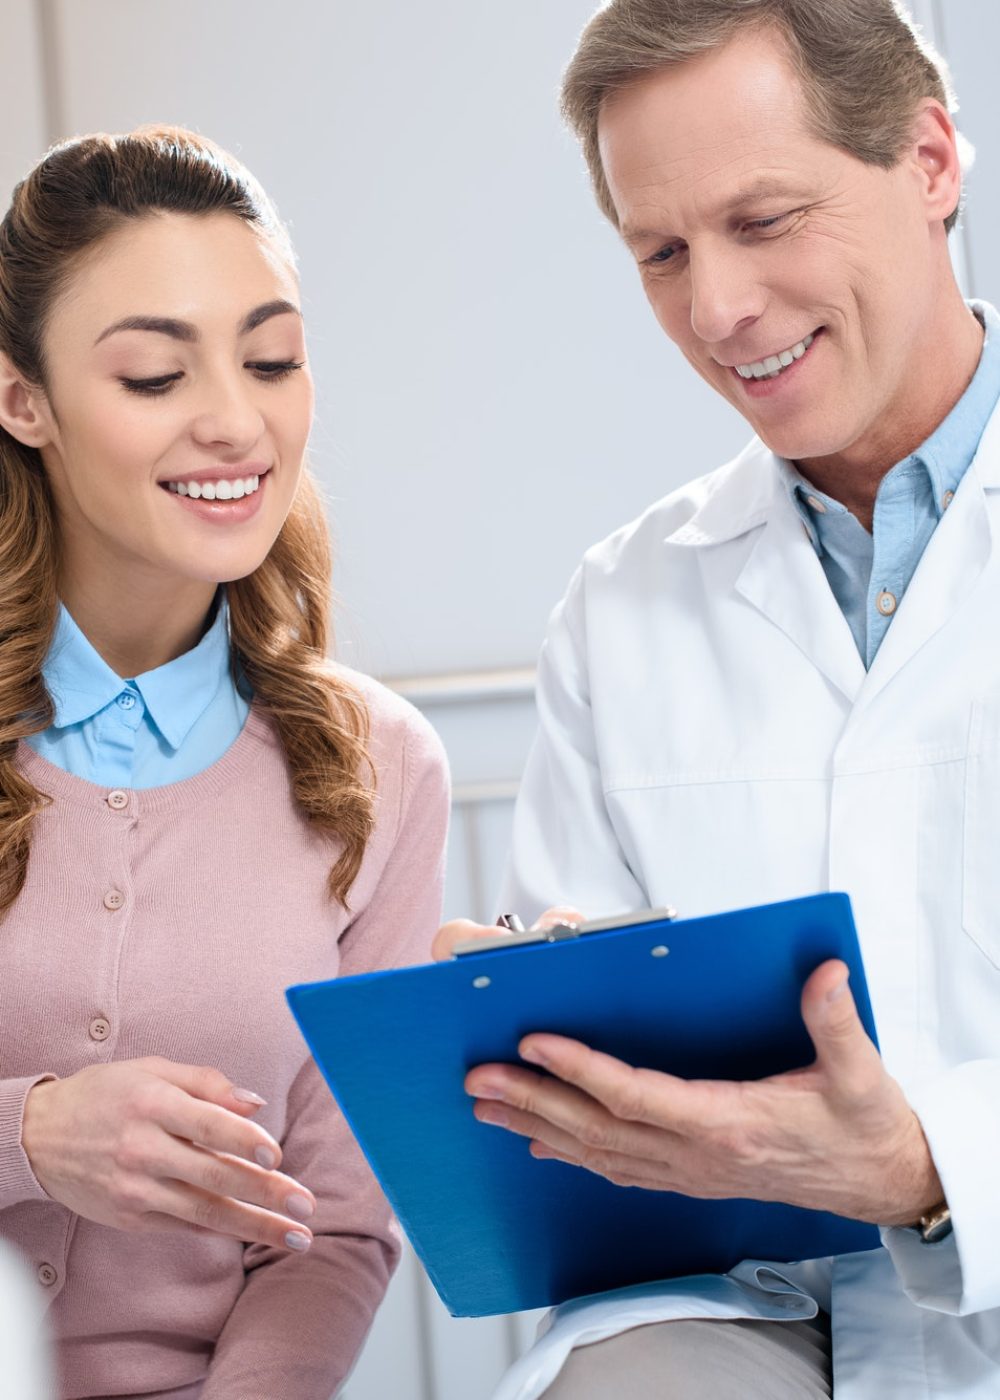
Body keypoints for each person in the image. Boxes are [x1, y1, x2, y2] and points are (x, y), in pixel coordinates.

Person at [435, 1, 1000, 1396]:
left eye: (765, 219)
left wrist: (928, 1167)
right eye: (663, 252)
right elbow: (612, 1176)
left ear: (931, 160)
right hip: (755, 1322)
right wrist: (552, 1043)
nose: (716, 309)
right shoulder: (624, 605)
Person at [0, 127, 449, 1399]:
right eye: (153, 374)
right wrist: (31, 1132)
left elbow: (342, 1224)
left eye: (273, 360)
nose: (236, 422)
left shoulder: (381, 767)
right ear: (22, 397)